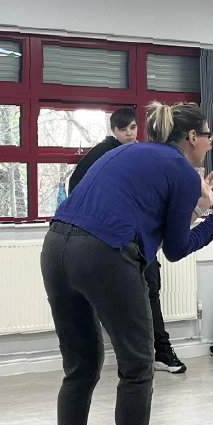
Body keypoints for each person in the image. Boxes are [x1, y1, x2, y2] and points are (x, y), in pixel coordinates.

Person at [45, 101, 213, 425]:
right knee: (138, 367)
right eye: (209, 136)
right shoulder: (180, 168)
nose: (210, 143)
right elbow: (177, 249)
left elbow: (144, 201)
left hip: (56, 246)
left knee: (82, 365)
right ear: (192, 138)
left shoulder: (129, 150)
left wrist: (200, 204)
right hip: (104, 252)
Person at [67, 108, 188, 374]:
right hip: (114, 240)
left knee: (152, 290)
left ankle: (159, 351)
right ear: (114, 131)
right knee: (137, 295)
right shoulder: (106, 153)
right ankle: (147, 354)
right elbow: (76, 185)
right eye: (124, 130)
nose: (130, 133)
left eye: (133, 128)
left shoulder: (140, 153)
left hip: (139, 238)